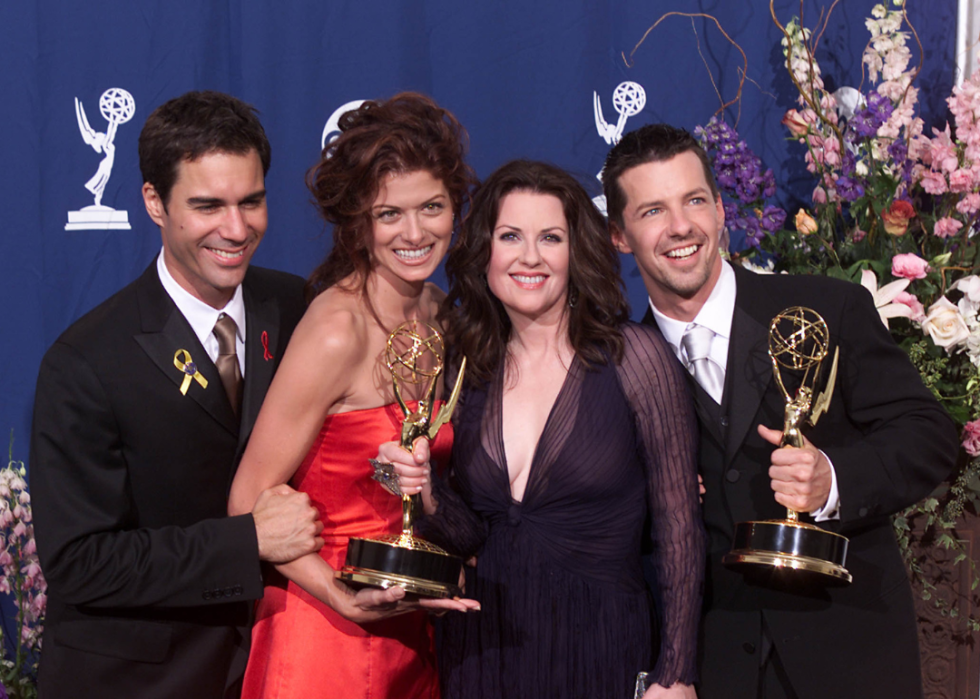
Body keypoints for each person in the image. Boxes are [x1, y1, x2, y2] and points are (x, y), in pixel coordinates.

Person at [602, 123, 959, 699]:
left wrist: (834, 480)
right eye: (652, 211)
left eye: (694, 200)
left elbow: (931, 435)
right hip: (710, 672)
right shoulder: (615, 369)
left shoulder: (827, 308)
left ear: (720, 210)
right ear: (619, 235)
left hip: (853, 659)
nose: (680, 227)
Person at [30, 91, 323, 698]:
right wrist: (247, 543)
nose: (236, 229)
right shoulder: (84, 361)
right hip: (137, 681)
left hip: (281, 668)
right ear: (153, 203)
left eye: (252, 202)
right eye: (208, 206)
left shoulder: (299, 309)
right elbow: (81, 563)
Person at [387, 160, 704, 698]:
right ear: (485, 250)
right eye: (510, 236)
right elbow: (474, 535)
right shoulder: (467, 365)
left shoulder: (634, 359)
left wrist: (675, 674)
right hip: (483, 652)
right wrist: (424, 492)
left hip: (601, 647)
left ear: (575, 251)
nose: (529, 257)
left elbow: (679, 527)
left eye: (550, 238)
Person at [227, 92, 480, 699]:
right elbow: (246, 501)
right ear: (359, 223)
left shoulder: (442, 315)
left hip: (410, 629)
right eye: (390, 214)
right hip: (325, 635)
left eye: (432, 207)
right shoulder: (336, 327)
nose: (415, 233)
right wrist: (340, 593)